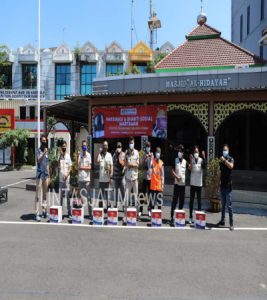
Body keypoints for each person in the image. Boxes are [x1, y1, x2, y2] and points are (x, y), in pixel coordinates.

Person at [217, 144, 234, 231]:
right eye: (223, 150)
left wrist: (225, 161)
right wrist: (218, 183)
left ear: (228, 151)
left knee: (229, 205)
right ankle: (222, 220)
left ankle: (231, 223)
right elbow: (220, 172)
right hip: (222, 185)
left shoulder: (230, 158)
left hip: (228, 186)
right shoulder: (220, 160)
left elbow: (231, 166)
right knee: (223, 205)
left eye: (226, 150)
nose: (224, 151)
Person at [170, 144, 188, 225]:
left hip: (183, 185)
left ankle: (179, 216)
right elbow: (172, 171)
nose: (179, 152)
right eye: (179, 151)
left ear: (183, 153)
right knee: (174, 201)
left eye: (181, 151)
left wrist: (191, 161)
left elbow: (190, 168)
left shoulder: (185, 162)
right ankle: (171, 217)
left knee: (182, 201)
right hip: (177, 184)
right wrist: (176, 176)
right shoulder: (175, 160)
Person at [188, 146, 206, 224]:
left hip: (199, 184)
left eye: (197, 152)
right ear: (193, 153)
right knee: (191, 201)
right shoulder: (191, 160)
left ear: (198, 153)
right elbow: (189, 170)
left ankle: (199, 218)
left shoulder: (201, 160)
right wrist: (190, 161)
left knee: (199, 201)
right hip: (192, 183)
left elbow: (204, 167)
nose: (196, 153)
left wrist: (204, 157)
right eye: (195, 152)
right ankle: (190, 217)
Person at [124, 136, 139, 223]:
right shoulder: (126, 152)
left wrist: (131, 165)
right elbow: (125, 164)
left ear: (134, 143)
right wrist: (128, 162)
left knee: (136, 197)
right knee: (127, 197)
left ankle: (136, 214)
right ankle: (126, 214)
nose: (131, 144)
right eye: (130, 143)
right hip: (128, 178)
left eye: (132, 143)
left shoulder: (136, 152)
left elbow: (137, 165)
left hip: (135, 178)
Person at [35, 135, 50, 222]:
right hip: (39, 175)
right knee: (38, 195)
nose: (44, 142)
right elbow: (38, 160)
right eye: (43, 140)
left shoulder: (46, 151)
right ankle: (37, 213)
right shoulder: (38, 150)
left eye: (45, 141)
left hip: (45, 175)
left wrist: (49, 176)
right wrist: (44, 153)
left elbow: (47, 164)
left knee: (45, 194)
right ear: (41, 141)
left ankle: (44, 211)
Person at [97, 140, 113, 209]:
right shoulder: (100, 155)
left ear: (107, 147)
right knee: (101, 195)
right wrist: (99, 153)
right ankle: (100, 210)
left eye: (106, 145)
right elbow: (97, 161)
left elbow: (111, 165)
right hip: (101, 179)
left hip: (107, 179)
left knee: (108, 196)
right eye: (104, 145)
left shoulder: (109, 155)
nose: (105, 146)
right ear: (102, 146)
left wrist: (111, 173)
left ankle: (108, 210)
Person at [78, 140, 92, 219]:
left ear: (86, 147)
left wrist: (82, 167)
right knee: (81, 197)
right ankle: (81, 213)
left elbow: (89, 167)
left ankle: (90, 214)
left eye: (85, 146)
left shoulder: (89, 155)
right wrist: (79, 156)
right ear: (81, 147)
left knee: (89, 197)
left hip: (87, 179)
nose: (84, 147)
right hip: (81, 179)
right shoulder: (80, 155)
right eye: (83, 146)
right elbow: (78, 165)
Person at [58, 141, 72, 218]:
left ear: (66, 147)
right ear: (61, 147)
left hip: (67, 179)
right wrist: (59, 156)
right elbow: (58, 165)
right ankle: (59, 212)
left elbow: (70, 167)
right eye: (62, 146)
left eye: (65, 146)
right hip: (60, 179)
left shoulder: (68, 156)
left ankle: (69, 212)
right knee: (60, 196)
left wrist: (67, 175)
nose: (64, 147)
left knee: (67, 196)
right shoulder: (60, 156)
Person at [141, 141, 153, 217]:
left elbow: (153, 165)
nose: (148, 147)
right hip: (145, 177)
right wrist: (145, 158)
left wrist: (151, 158)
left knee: (150, 195)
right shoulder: (143, 155)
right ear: (145, 147)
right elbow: (141, 164)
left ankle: (149, 210)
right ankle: (141, 210)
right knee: (142, 194)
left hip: (150, 177)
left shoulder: (152, 155)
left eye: (149, 146)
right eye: (147, 146)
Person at [149, 147, 164, 212]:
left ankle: (159, 214)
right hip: (153, 185)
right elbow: (150, 167)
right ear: (155, 153)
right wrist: (151, 159)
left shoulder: (161, 163)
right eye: (157, 152)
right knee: (152, 202)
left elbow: (163, 175)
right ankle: (152, 216)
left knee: (159, 202)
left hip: (159, 186)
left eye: (159, 152)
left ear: (160, 154)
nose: (158, 153)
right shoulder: (152, 161)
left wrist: (163, 184)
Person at [112, 142, 125, 209]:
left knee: (123, 192)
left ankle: (124, 206)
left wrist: (119, 158)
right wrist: (112, 176)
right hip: (116, 177)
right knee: (116, 193)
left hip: (122, 177)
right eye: (118, 146)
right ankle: (116, 205)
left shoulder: (123, 154)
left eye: (120, 147)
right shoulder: (114, 155)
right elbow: (113, 165)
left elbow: (124, 164)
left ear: (121, 147)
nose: (119, 148)